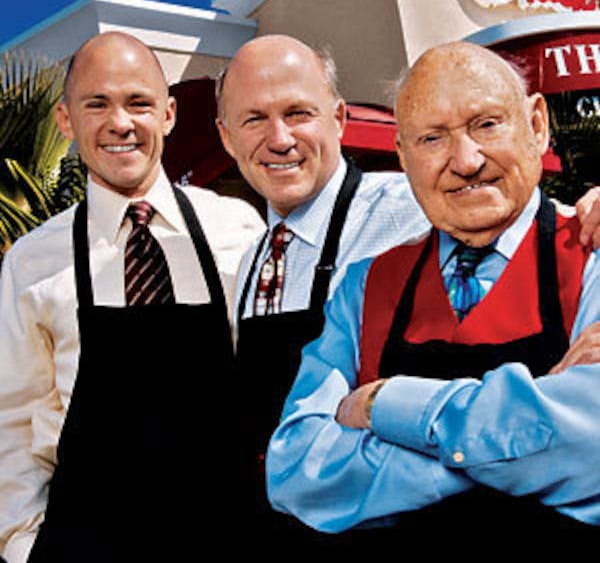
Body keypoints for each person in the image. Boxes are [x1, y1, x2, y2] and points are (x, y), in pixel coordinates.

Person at [215, 34, 600, 539]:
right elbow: (295, 471)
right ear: (403, 154)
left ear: (536, 125)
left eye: (486, 124)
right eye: (432, 138)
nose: (464, 160)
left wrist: (383, 405)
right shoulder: (362, 286)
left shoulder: (591, 251)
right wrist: (527, 453)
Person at [0, 32, 265, 563]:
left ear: (168, 114)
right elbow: (12, 421)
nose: (120, 123)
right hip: (86, 543)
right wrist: (23, 548)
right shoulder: (31, 261)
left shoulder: (236, 228)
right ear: (65, 120)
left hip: (230, 535)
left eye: (138, 102)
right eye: (97, 104)